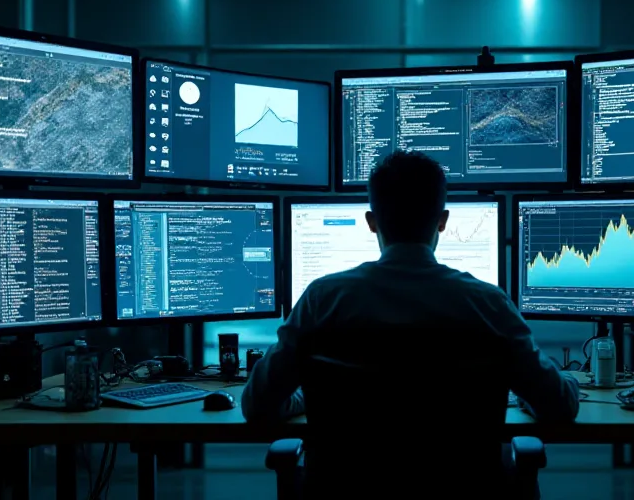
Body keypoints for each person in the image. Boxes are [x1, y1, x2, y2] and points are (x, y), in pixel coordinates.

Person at [242, 151, 580, 423]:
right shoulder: (489, 303)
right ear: (443, 221)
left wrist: (309, 400)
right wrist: (562, 384)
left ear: (372, 223)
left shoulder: (321, 300)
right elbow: (560, 408)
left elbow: (256, 405)